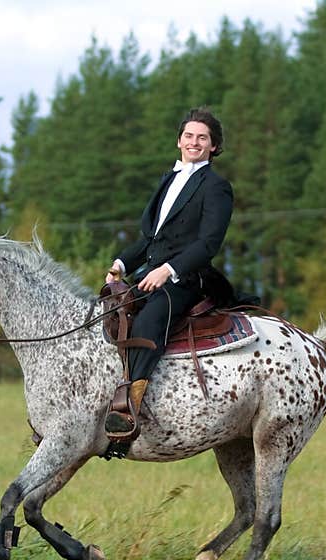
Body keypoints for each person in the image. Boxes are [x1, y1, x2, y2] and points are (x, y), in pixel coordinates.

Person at [104, 106, 234, 441]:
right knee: (108, 316)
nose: (194, 142)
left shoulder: (216, 187)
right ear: (179, 141)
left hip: (187, 279)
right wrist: (120, 264)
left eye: (202, 138)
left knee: (148, 323)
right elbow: (152, 238)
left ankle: (129, 410)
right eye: (189, 136)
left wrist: (168, 270)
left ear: (214, 146)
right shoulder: (169, 180)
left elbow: (208, 244)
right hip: (150, 272)